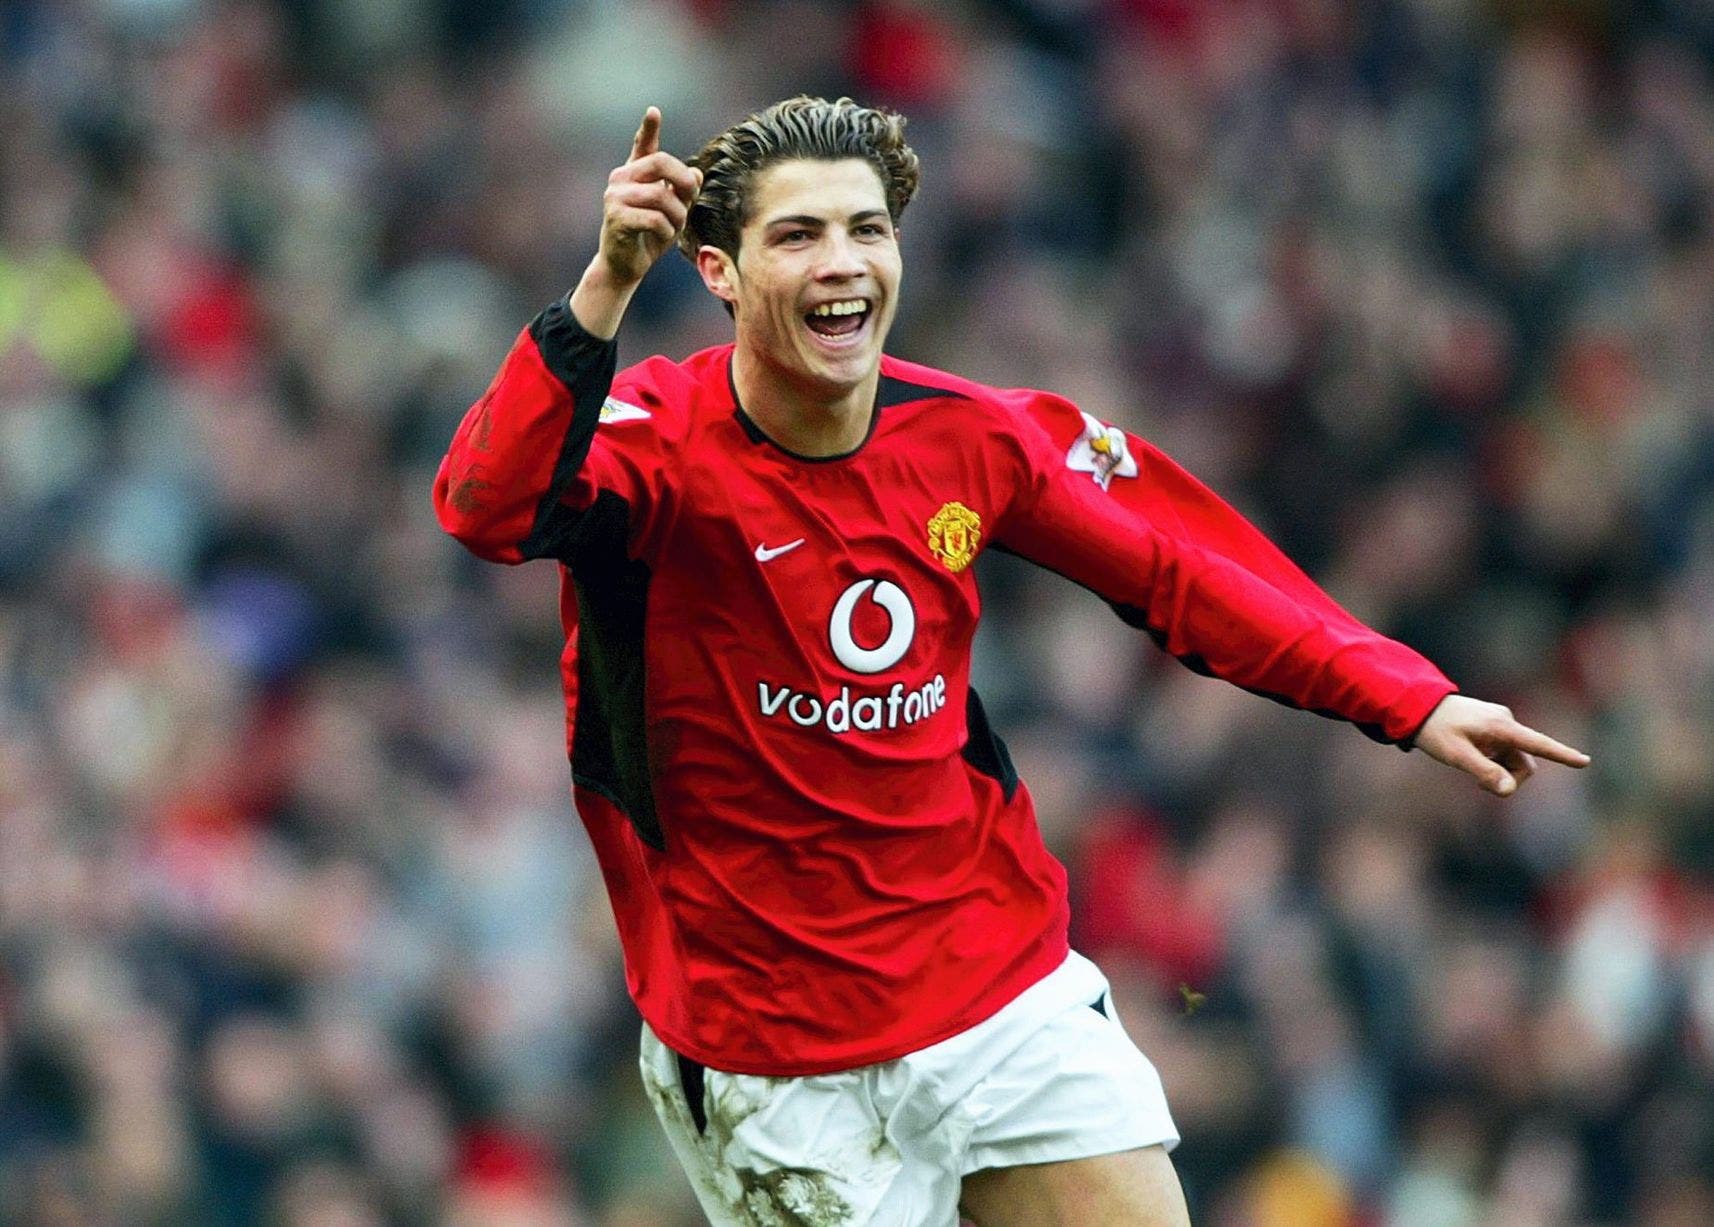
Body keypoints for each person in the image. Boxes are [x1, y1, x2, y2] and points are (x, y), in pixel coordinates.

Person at [434, 96, 1588, 1227]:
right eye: (796, 235)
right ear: (718, 272)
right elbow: (486, 508)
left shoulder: (972, 436)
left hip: (993, 986)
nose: (842, 263)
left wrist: (1407, 697)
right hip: (771, 1052)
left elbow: (1177, 569)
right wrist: (603, 288)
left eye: (867, 228)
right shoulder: (649, 442)